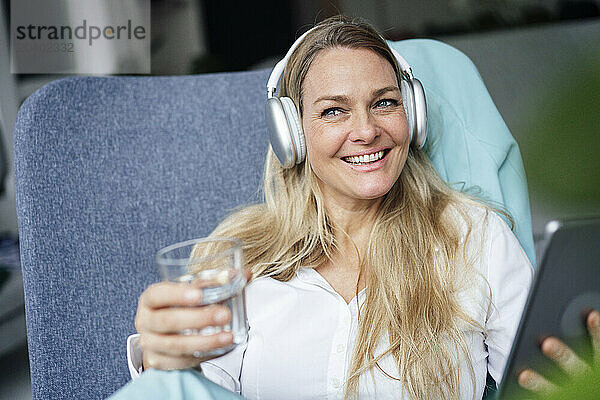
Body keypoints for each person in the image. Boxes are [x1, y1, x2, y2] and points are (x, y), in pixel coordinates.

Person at [120, 15, 569, 400]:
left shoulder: (475, 236)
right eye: (334, 111)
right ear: (291, 133)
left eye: (385, 103)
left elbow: (547, 376)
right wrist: (170, 367)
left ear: (412, 116)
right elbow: (196, 389)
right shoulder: (239, 260)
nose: (367, 130)